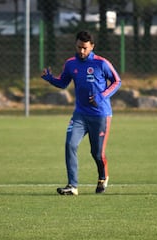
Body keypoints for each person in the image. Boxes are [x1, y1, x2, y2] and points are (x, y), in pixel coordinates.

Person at [41, 30, 121, 195]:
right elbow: (63, 83)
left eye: (85, 48)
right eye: (79, 47)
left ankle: (103, 177)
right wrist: (50, 79)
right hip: (80, 115)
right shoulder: (71, 63)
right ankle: (72, 186)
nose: (81, 51)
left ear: (92, 46)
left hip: (100, 115)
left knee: (97, 153)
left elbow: (117, 81)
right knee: (70, 144)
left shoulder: (101, 63)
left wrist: (101, 96)